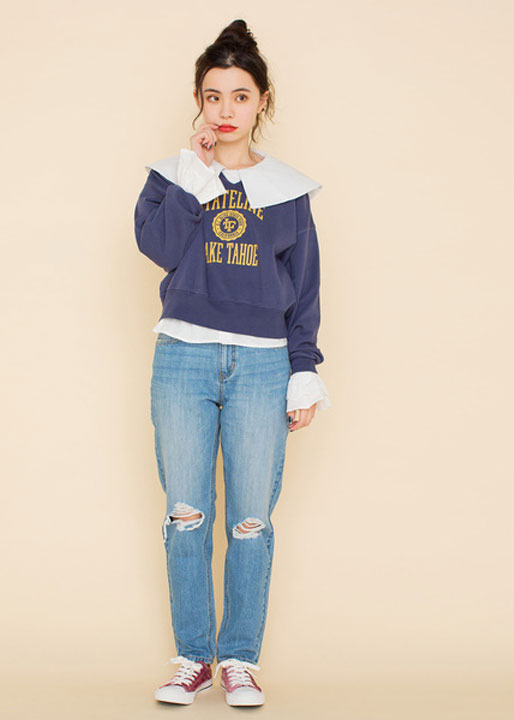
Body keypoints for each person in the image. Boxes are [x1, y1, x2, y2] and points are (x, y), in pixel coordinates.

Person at [133, 18, 331, 708]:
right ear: (198, 100)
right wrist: (195, 175)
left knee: (251, 521)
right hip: (183, 358)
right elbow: (160, 249)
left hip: (262, 366)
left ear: (261, 102)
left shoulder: (288, 191)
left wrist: (304, 369)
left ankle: (239, 660)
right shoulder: (172, 176)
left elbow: (304, 288)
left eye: (240, 96)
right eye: (213, 96)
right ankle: (193, 656)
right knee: (185, 514)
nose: (225, 110)